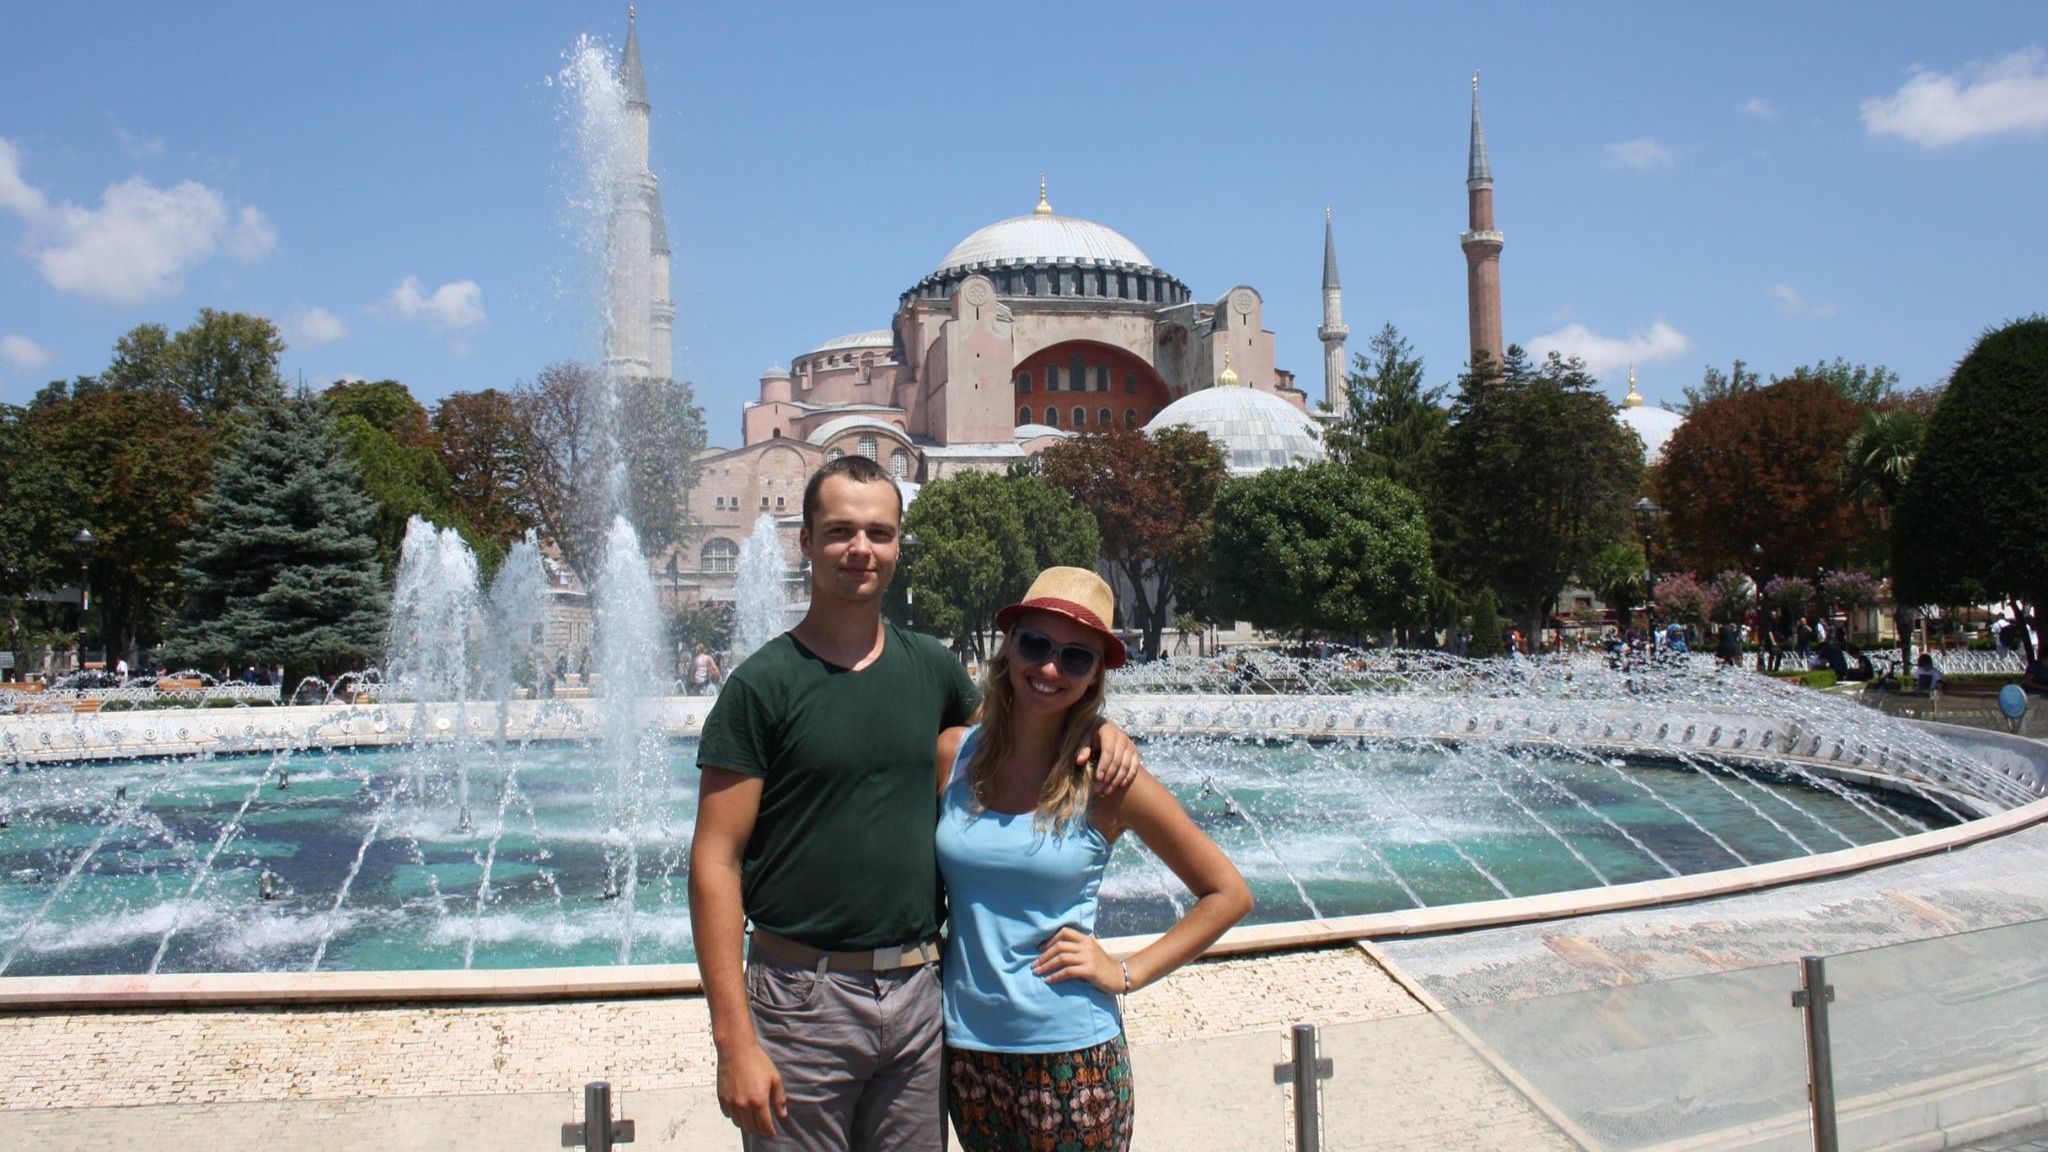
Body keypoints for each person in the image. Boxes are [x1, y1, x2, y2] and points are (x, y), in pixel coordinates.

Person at [689, 456, 1140, 1151]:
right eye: (839, 531)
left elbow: (1025, 723)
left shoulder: (930, 668)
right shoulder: (761, 688)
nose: (860, 550)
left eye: (878, 532)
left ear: (898, 544)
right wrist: (732, 1040)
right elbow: (715, 861)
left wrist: (1097, 726)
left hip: (920, 997)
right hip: (801, 997)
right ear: (805, 542)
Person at [936, 568, 1252, 1151]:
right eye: (1036, 645)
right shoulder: (954, 755)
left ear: (1094, 676)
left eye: (1076, 658)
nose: (1051, 668)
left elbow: (1228, 893)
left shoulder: (1106, 779)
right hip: (967, 1051)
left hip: (1070, 1055)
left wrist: (1126, 972)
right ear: (1010, 648)